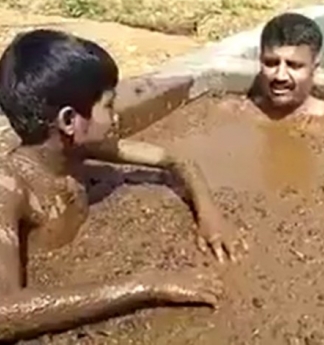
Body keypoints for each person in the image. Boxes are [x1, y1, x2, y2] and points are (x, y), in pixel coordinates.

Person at [0, 29, 244, 342]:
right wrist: (144, 285)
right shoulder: (11, 190)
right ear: (69, 121)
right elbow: (5, 313)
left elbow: (176, 160)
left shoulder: (76, 150)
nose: (116, 118)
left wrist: (210, 216)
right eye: (109, 105)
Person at [220, 12, 324, 135]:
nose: (280, 76)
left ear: (314, 67)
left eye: (294, 65)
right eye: (271, 63)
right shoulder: (232, 112)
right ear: (260, 60)